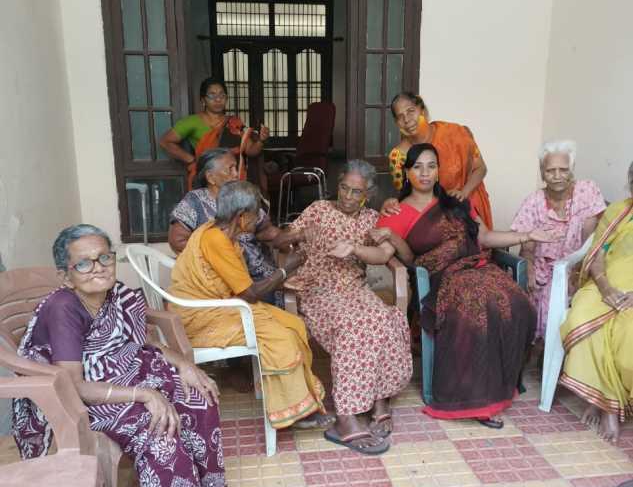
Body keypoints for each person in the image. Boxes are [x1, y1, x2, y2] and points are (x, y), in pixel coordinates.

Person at [11, 224, 251, 487]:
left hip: (128, 373)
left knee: (198, 398)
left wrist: (183, 364)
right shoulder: (64, 308)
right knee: (157, 428)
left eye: (104, 257)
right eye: (84, 264)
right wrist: (145, 395)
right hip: (80, 394)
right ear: (66, 275)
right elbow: (73, 384)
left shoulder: (118, 295)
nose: (98, 268)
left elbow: (140, 345)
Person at [373, 144, 556, 427]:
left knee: (517, 303)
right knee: (477, 308)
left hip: (476, 268)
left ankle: (498, 385)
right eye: (418, 167)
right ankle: (475, 398)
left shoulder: (456, 202)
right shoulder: (395, 212)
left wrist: (527, 235)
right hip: (440, 279)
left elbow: (485, 237)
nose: (425, 173)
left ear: (438, 170)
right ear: (407, 172)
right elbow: (411, 260)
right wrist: (392, 237)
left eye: (431, 166)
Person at [169, 181, 330, 430]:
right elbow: (250, 294)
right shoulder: (216, 240)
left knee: (294, 323)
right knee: (280, 338)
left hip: (223, 307)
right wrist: (286, 269)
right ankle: (293, 411)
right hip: (200, 318)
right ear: (242, 217)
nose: (258, 221)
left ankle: (301, 399)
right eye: (256, 215)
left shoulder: (221, 233)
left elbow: (241, 291)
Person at [286, 160, 412, 455]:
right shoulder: (318, 209)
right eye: (344, 188)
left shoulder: (371, 219)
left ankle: (379, 398)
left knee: (385, 317)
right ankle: (346, 417)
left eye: (357, 192)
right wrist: (299, 237)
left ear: (367, 193)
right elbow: (287, 239)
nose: (348, 196)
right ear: (338, 184)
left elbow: (381, 255)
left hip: (354, 287)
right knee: (355, 325)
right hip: (318, 288)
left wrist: (354, 249)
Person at [559, 161, 633, 444]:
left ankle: (604, 399)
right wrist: (604, 287)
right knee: (580, 320)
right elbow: (598, 253)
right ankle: (607, 406)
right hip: (605, 284)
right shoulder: (618, 212)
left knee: (625, 333)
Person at [168, 148, 291, 308]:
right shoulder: (194, 201)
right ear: (211, 177)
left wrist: (289, 235)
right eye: (230, 169)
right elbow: (177, 241)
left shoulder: (240, 196)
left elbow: (264, 228)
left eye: (236, 167)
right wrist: (222, 259)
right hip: (230, 279)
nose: (236, 174)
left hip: (259, 272)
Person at [511, 140, 605, 341]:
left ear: (571, 169)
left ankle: (559, 358)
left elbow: (591, 238)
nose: (556, 176)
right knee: (533, 297)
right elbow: (527, 248)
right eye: (550, 170)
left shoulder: (586, 191)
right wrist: (528, 266)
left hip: (579, 265)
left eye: (563, 170)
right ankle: (540, 355)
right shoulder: (533, 201)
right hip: (544, 270)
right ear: (542, 172)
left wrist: (578, 269)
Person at [386, 92, 493, 228]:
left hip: (470, 206)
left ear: (422, 110)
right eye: (400, 117)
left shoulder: (456, 132)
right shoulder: (398, 156)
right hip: (433, 219)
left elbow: (480, 168)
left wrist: (463, 193)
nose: (407, 120)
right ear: (397, 123)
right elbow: (406, 195)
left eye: (411, 111)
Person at [159, 77, 269, 190]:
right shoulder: (192, 122)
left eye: (222, 95)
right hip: (207, 179)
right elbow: (165, 141)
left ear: (226, 98)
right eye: (212, 95)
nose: (218, 100)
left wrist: (261, 140)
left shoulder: (234, 122)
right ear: (203, 100)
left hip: (232, 179)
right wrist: (191, 160)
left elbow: (251, 150)